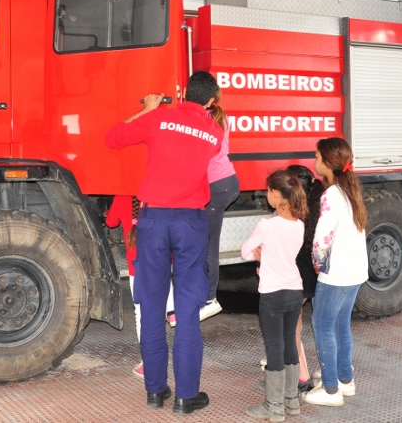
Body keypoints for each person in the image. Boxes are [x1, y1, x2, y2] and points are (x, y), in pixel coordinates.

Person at [104, 71, 223, 415]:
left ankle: (155, 392)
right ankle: (187, 397)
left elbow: (114, 138)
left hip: (152, 221)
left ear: (183, 94)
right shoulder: (214, 132)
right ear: (212, 101)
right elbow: (206, 143)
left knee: (152, 308)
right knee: (186, 312)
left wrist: (148, 109)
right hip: (190, 222)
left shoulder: (160, 117)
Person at [301, 137, 368, 408]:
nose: (314, 161)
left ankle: (330, 390)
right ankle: (344, 379)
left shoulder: (330, 194)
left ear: (328, 163)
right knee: (341, 324)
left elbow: (321, 236)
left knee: (323, 325)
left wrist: (317, 263)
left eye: (317, 157)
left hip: (337, 272)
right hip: (355, 271)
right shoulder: (349, 190)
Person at [241, 169, 307, 421]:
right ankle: (291, 402)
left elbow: (246, 251)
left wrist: (257, 252)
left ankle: (274, 406)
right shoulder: (299, 225)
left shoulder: (266, 225)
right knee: (290, 342)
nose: (266, 194)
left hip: (272, 292)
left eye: (268, 190)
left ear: (278, 196)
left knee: (274, 347)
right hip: (294, 289)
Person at [105, 195, 177, 379]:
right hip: (160, 260)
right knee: (162, 285)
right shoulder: (155, 194)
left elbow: (111, 222)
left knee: (141, 314)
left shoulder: (121, 198)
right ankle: (171, 309)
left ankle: (149, 364)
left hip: (137, 267)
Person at [202, 89, 240, 321]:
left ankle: (210, 298)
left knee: (209, 244)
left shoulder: (205, 120)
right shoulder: (221, 116)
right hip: (227, 181)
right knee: (206, 241)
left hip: (217, 185)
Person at [288, 164, 325, 391]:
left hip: (295, 280)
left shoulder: (291, 220)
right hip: (311, 279)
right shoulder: (315, 213)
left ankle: (301, 378)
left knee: (292, 328)